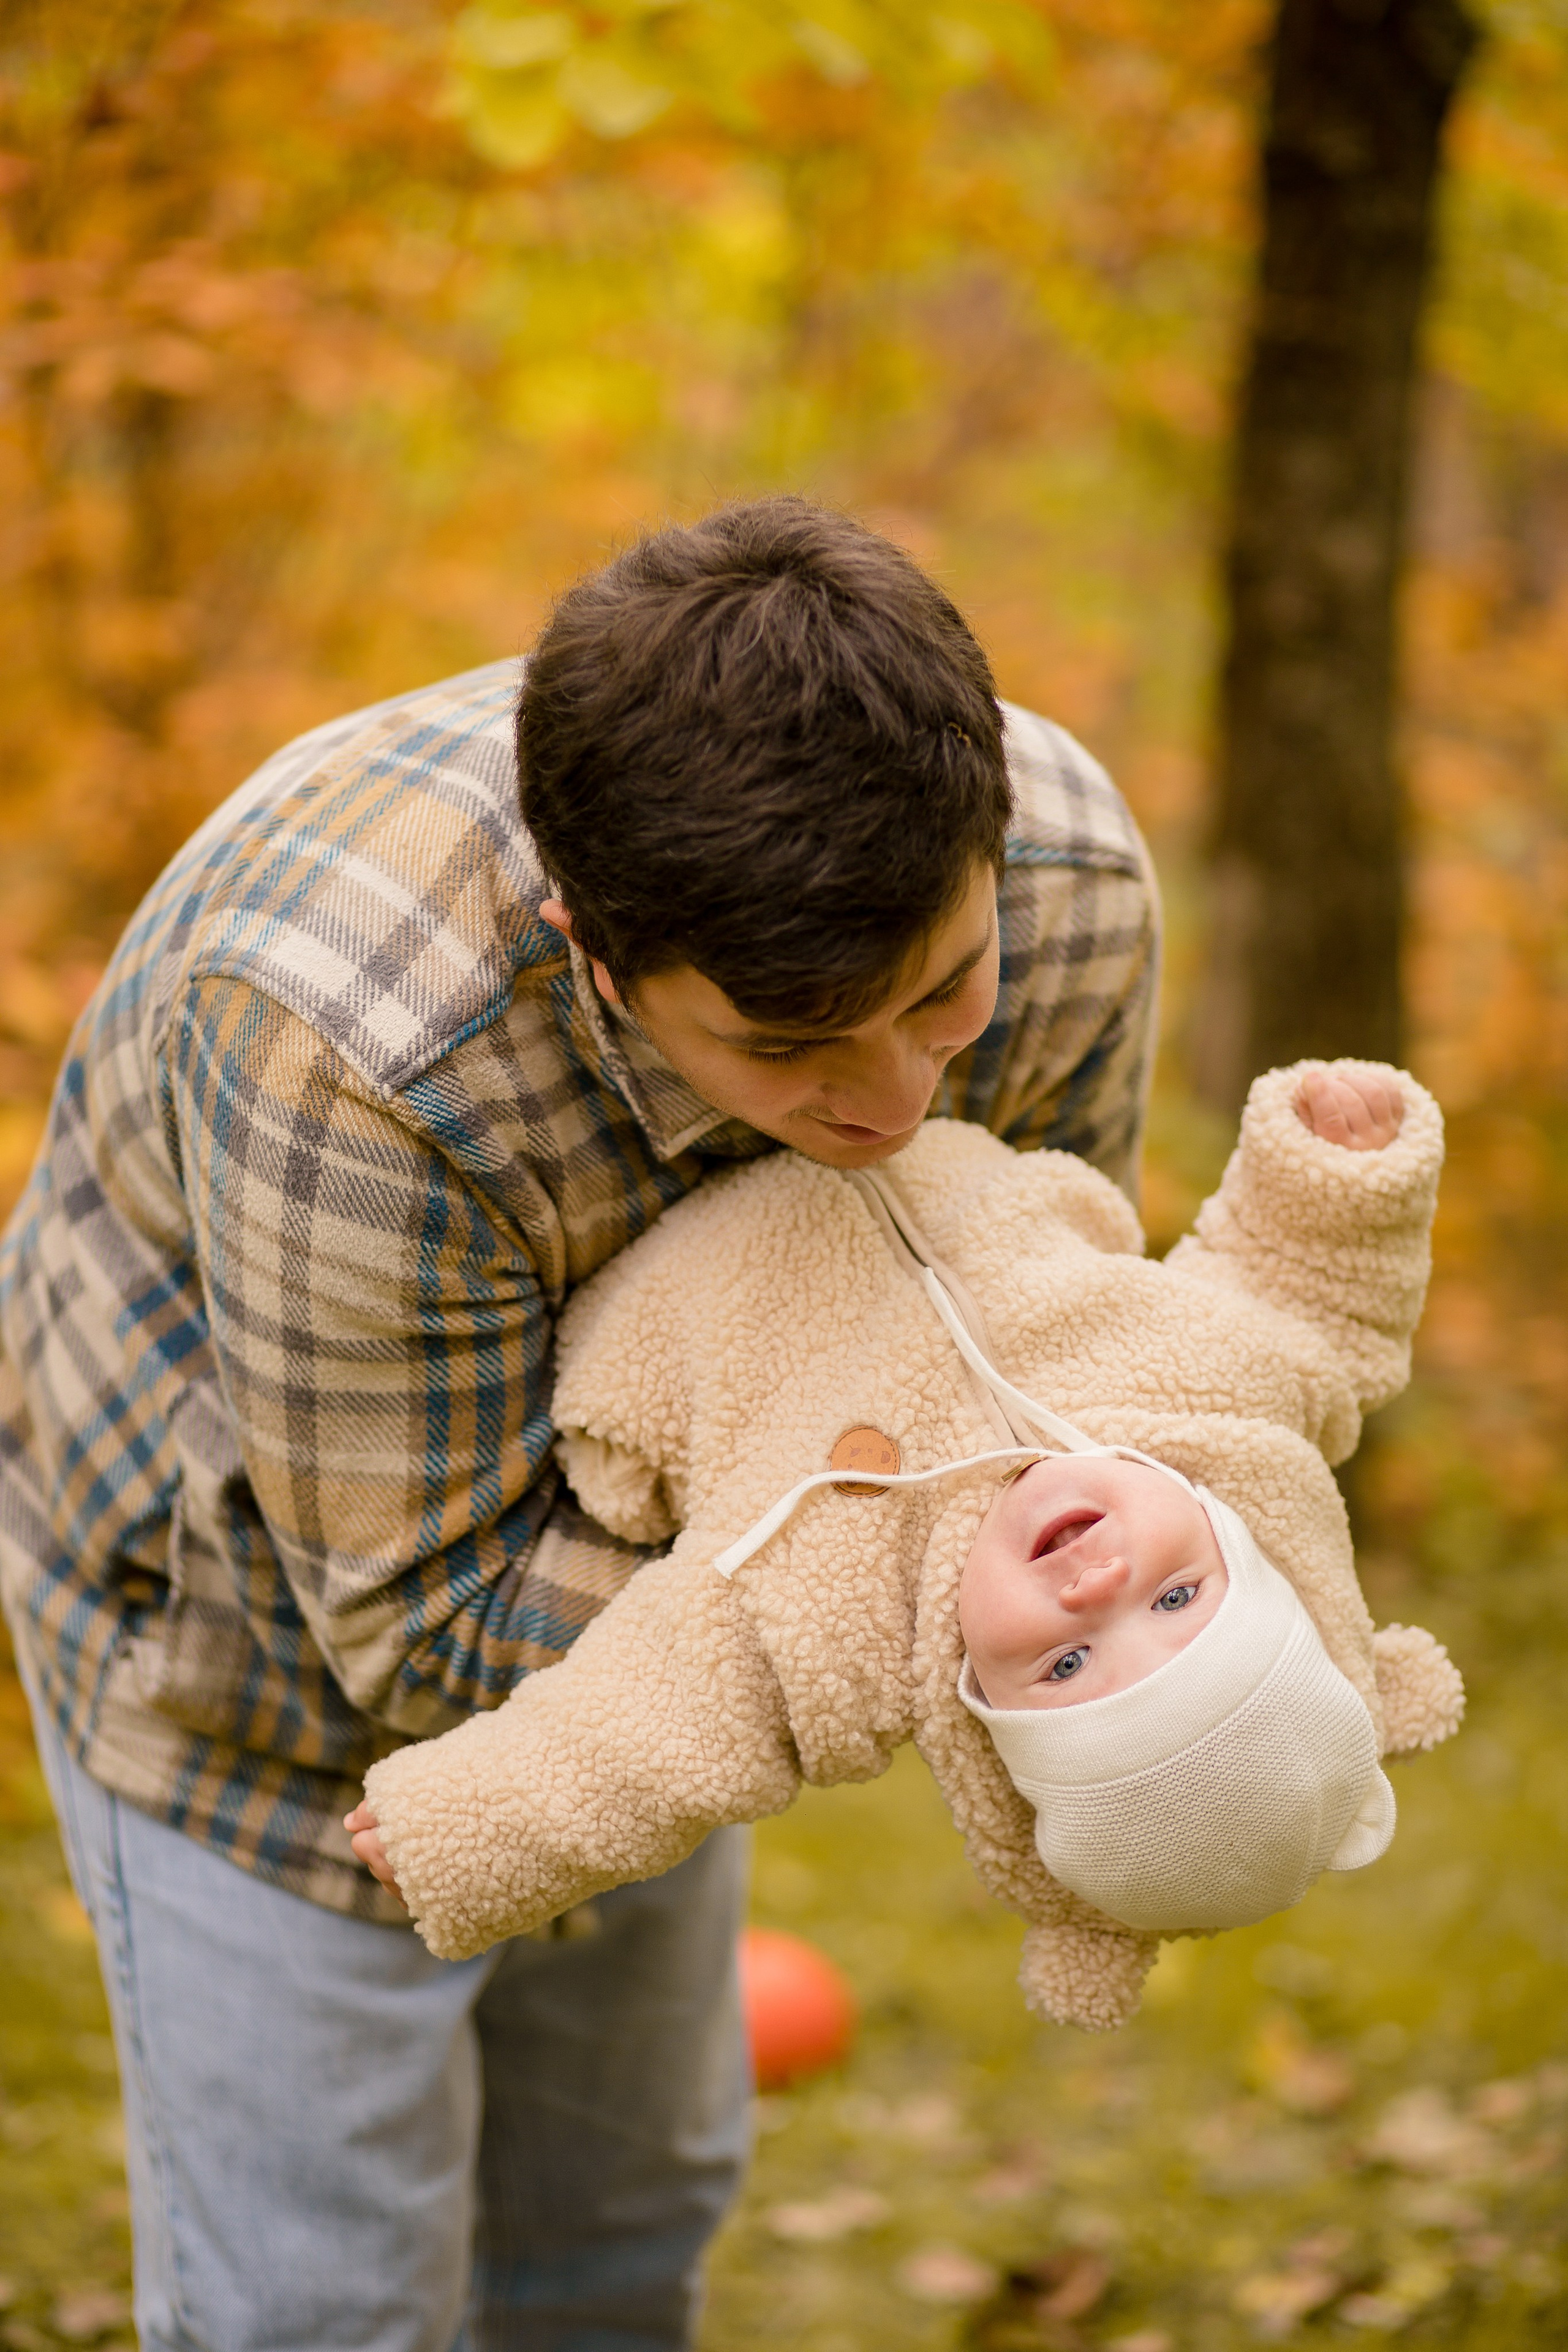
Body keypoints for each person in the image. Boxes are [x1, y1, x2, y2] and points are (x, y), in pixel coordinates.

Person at [0, 497, 1161, 2350]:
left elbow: (1023, 1329)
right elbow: (426, 1628)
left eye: (942, 995)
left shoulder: (1076, 885)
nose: (887, 1099)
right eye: (788, 1047)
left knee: (618, 2226)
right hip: (264, 1649)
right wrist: (912, 1611)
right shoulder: (342, 1046)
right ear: (594, 953)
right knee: (323, 2300)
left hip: (692, 1609)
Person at [351, 1061, 1463, 2035]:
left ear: (985, 1707)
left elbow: (645, 1739)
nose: (1097, 1590)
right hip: (882, 1116)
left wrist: (468, 1824)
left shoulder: (834, 1625)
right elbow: (1314, 1304)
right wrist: (1340, 1168)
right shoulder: (1224, 1393)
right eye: (1179, 1603)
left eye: (1069, 1669)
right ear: (1241, 1539)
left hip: (639, 1227)